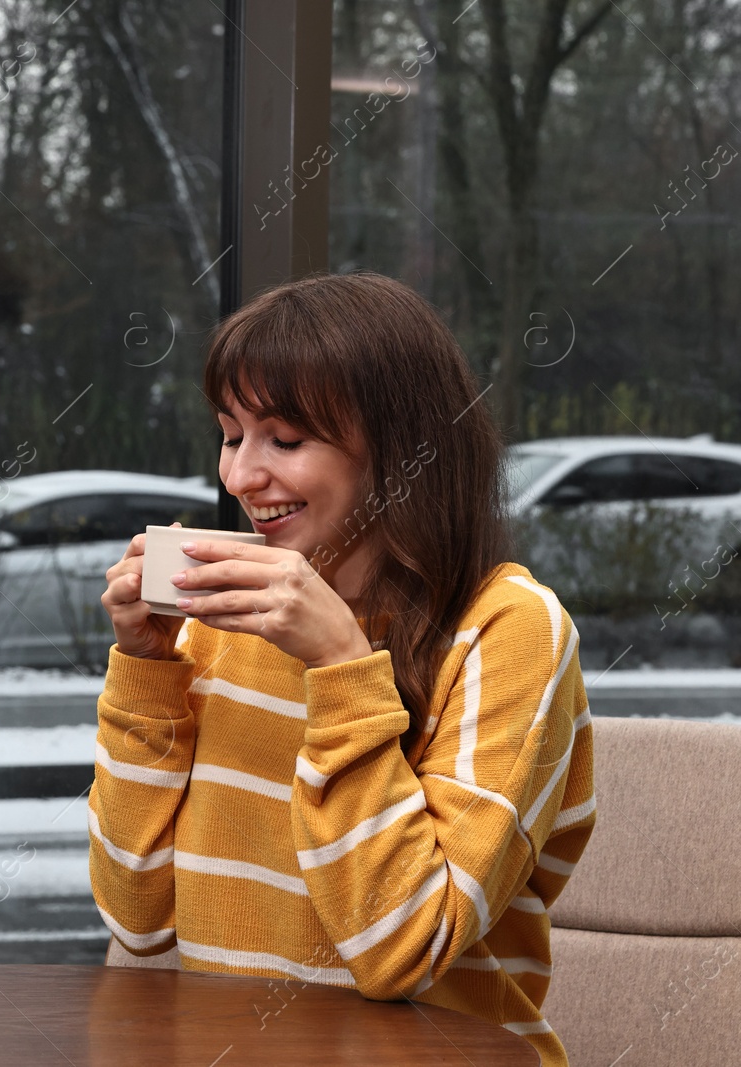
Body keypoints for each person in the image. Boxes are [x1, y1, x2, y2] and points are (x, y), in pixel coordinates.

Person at [90, 272, 594, 1066]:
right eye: (231, 434)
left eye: (284, 440)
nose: (240, 476)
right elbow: (139, 917)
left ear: (401, 451)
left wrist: (339, 664)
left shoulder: (510, 631)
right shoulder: (223, 625)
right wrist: (145, 667)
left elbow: (403, 948)